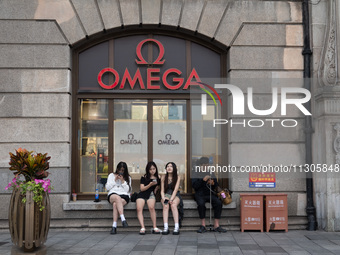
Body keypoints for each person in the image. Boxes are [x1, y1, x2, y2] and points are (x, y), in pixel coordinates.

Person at [192, 157, 227, 233]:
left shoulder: (211, 172)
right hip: (200, 194)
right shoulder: (195, 173)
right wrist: (203, 180)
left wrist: (213, 183)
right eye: (204, 165)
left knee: (218, 203)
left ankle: (216, 225)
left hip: (209, 193)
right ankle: (203, 225)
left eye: (207, 165)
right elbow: (194, 186)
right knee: (201, 204)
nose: (206, 167)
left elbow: (216, 185)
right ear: (200, 165)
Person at [106, 161, 131, 234]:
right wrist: (115, 180)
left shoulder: (128, 177)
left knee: (115, 205)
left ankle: (114, 226)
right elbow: (107, 188)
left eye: (122, 170)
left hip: (124, 195)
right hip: (113, 194)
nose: (120, 172)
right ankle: (123, 219)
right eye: (119, 170)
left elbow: (128, 190)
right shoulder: (111, 175)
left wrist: (123, 181)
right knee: (117, 198)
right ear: (117, 169)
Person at [136, 161, 161, 235]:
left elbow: (157, 188)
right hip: (142, 194)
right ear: (148, 170)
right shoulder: (144, 177)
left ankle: (154, 226)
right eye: (150, 169)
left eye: (154, 168)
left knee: (151, 207)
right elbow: (142, 189)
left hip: (151, 194)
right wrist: (150, 184)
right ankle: (142, 227)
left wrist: (156, 188)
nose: (152, 170)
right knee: (139, 208)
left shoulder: (158, 177)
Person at [161, 162, 181, 235]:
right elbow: (162, 190)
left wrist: (171, 199)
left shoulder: (177, 177)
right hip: (166, 194)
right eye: (168, 166)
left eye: (171, 166)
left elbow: (175, 190)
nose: (169, 168)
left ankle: (176, 227)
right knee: (165, 205)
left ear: (174, 168)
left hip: (175, 195)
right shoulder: (163, 177)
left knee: (173, 205)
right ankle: (166, 227)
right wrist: (163, 198)